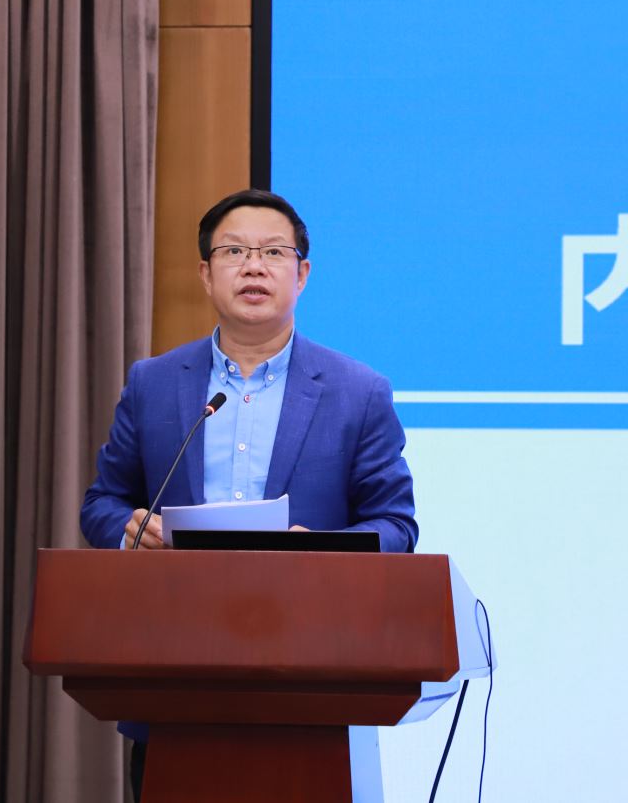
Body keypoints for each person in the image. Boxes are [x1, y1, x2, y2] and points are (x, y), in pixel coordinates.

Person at [79, 189, 417, 798]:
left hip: (311, 671)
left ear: (301, 274)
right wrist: (128, 531)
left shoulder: (358, 391)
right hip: (175, 670)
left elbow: (395, 526)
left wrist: (326, 552)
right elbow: (103, 503)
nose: (254, 266)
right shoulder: (153, 383)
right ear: (206, 274)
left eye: (273, 252)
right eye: (234, 251)